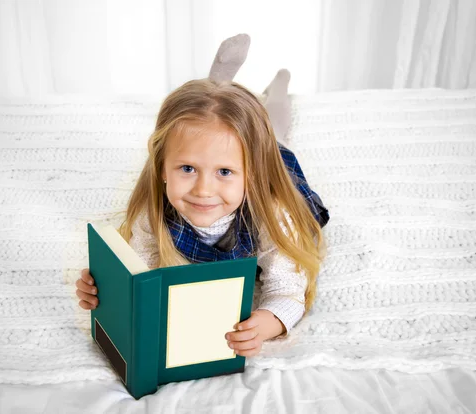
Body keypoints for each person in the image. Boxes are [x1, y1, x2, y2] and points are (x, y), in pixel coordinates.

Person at [76, 34, 329, 357]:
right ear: (162, 168)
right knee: (214, 122)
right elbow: (140, 275)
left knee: (276, 133)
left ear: (251, 176)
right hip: (230, 149)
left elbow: (288, 290)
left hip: (273, 169)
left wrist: (265, 324)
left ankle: (278, 87)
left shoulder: (272, 215)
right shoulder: (154, 213)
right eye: (187, 169)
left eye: (224, 172)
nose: (203, 191)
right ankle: (219, 90)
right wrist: (106, 291)